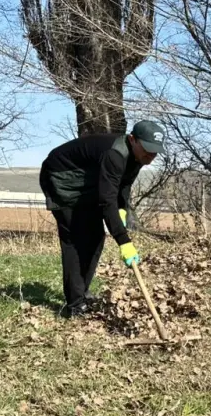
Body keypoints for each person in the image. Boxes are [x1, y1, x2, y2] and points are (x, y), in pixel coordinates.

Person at [39, 121, 166, 318]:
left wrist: (122, 210)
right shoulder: (114, 154)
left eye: (155, 151)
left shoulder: (138, 156)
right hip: (62, 178)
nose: (151, 156)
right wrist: (124, 241)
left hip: (87, 182)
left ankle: (82, 293)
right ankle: (74, 305)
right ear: (132, 140)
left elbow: (123, 186)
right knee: (76, 239)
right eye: (148, 149)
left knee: (96, 237)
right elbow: (107, 200)